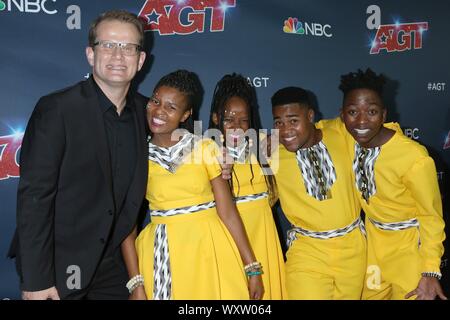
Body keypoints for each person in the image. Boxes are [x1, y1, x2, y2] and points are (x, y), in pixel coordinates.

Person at [9, 10, 148, 300]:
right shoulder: (57, 109)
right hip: (57, 265)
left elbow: (186, 140)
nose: (118, 55)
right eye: (108, 45)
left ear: (141, 59)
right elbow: (35, 196)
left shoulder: (147, 113)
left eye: (128, 47)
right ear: (90, 54)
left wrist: (218, 156)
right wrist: (37, 280)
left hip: (113, 267)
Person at [121, 70, 264, 300]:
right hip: (162, 253)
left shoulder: (206, 148)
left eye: (171, 107)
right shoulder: (137, 156)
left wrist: (252, 267)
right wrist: (135, 282)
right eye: (155, 101)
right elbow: (126, 226)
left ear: (185, 114)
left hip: (210, 248)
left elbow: (227, 212)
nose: (159, 111)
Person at [335, 68, 446, 300]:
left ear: (384, 114)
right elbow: (304, 129)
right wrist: (269, 143)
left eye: (372, 112)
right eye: (353, 112)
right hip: (374, 249)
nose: (362, 121)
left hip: (408, 251)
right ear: (342, 115)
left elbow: (431, 217)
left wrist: (430, 269)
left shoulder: (414, 157)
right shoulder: (347, 136)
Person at [271, 86, 366, 299]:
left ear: (310, 116)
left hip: (353, 250)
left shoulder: (342, 132)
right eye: (278, 123)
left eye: (293, 121)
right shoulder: (271, 153)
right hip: (307, 252)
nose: (285, 130)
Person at [208, 73, 287, 299]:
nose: (237, 127)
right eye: (229, 119)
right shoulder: (206, 153)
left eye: (243, 120)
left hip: (264, 238)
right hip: (228, 243)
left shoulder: (265, 150)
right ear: (215, 118)